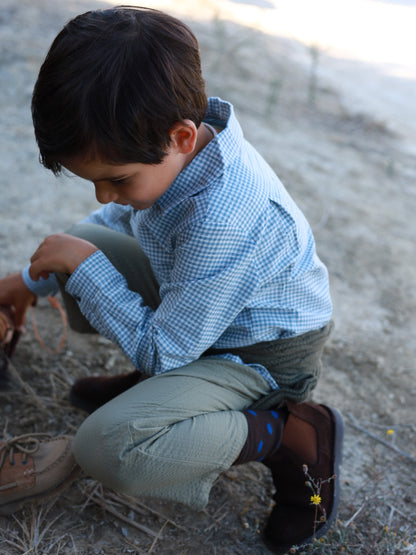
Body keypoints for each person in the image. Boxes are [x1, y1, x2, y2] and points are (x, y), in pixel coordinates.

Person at [0, 6, 343, 552]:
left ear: (181, 136)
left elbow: (167, 351)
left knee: (109, 449)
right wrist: (28, 279)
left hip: (258, 353)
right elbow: (115, 222)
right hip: (205, 314)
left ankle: (292, 436)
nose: (103, 195)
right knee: (76, 244)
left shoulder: (224, 217)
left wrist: (84, 267)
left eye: (116, 179)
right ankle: (161, 395)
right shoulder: (181, 145)